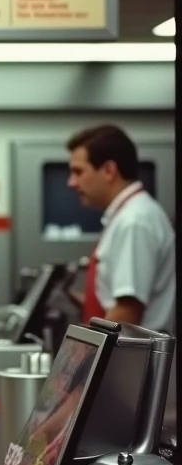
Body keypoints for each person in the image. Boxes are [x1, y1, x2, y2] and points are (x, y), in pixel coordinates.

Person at [66, 124, 175, 330]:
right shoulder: (127, 215)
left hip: (134, 361)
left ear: (108, 170)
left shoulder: (135, 221)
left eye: (78, 172)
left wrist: (87, 358)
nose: (71, 182)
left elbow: (127, 310)